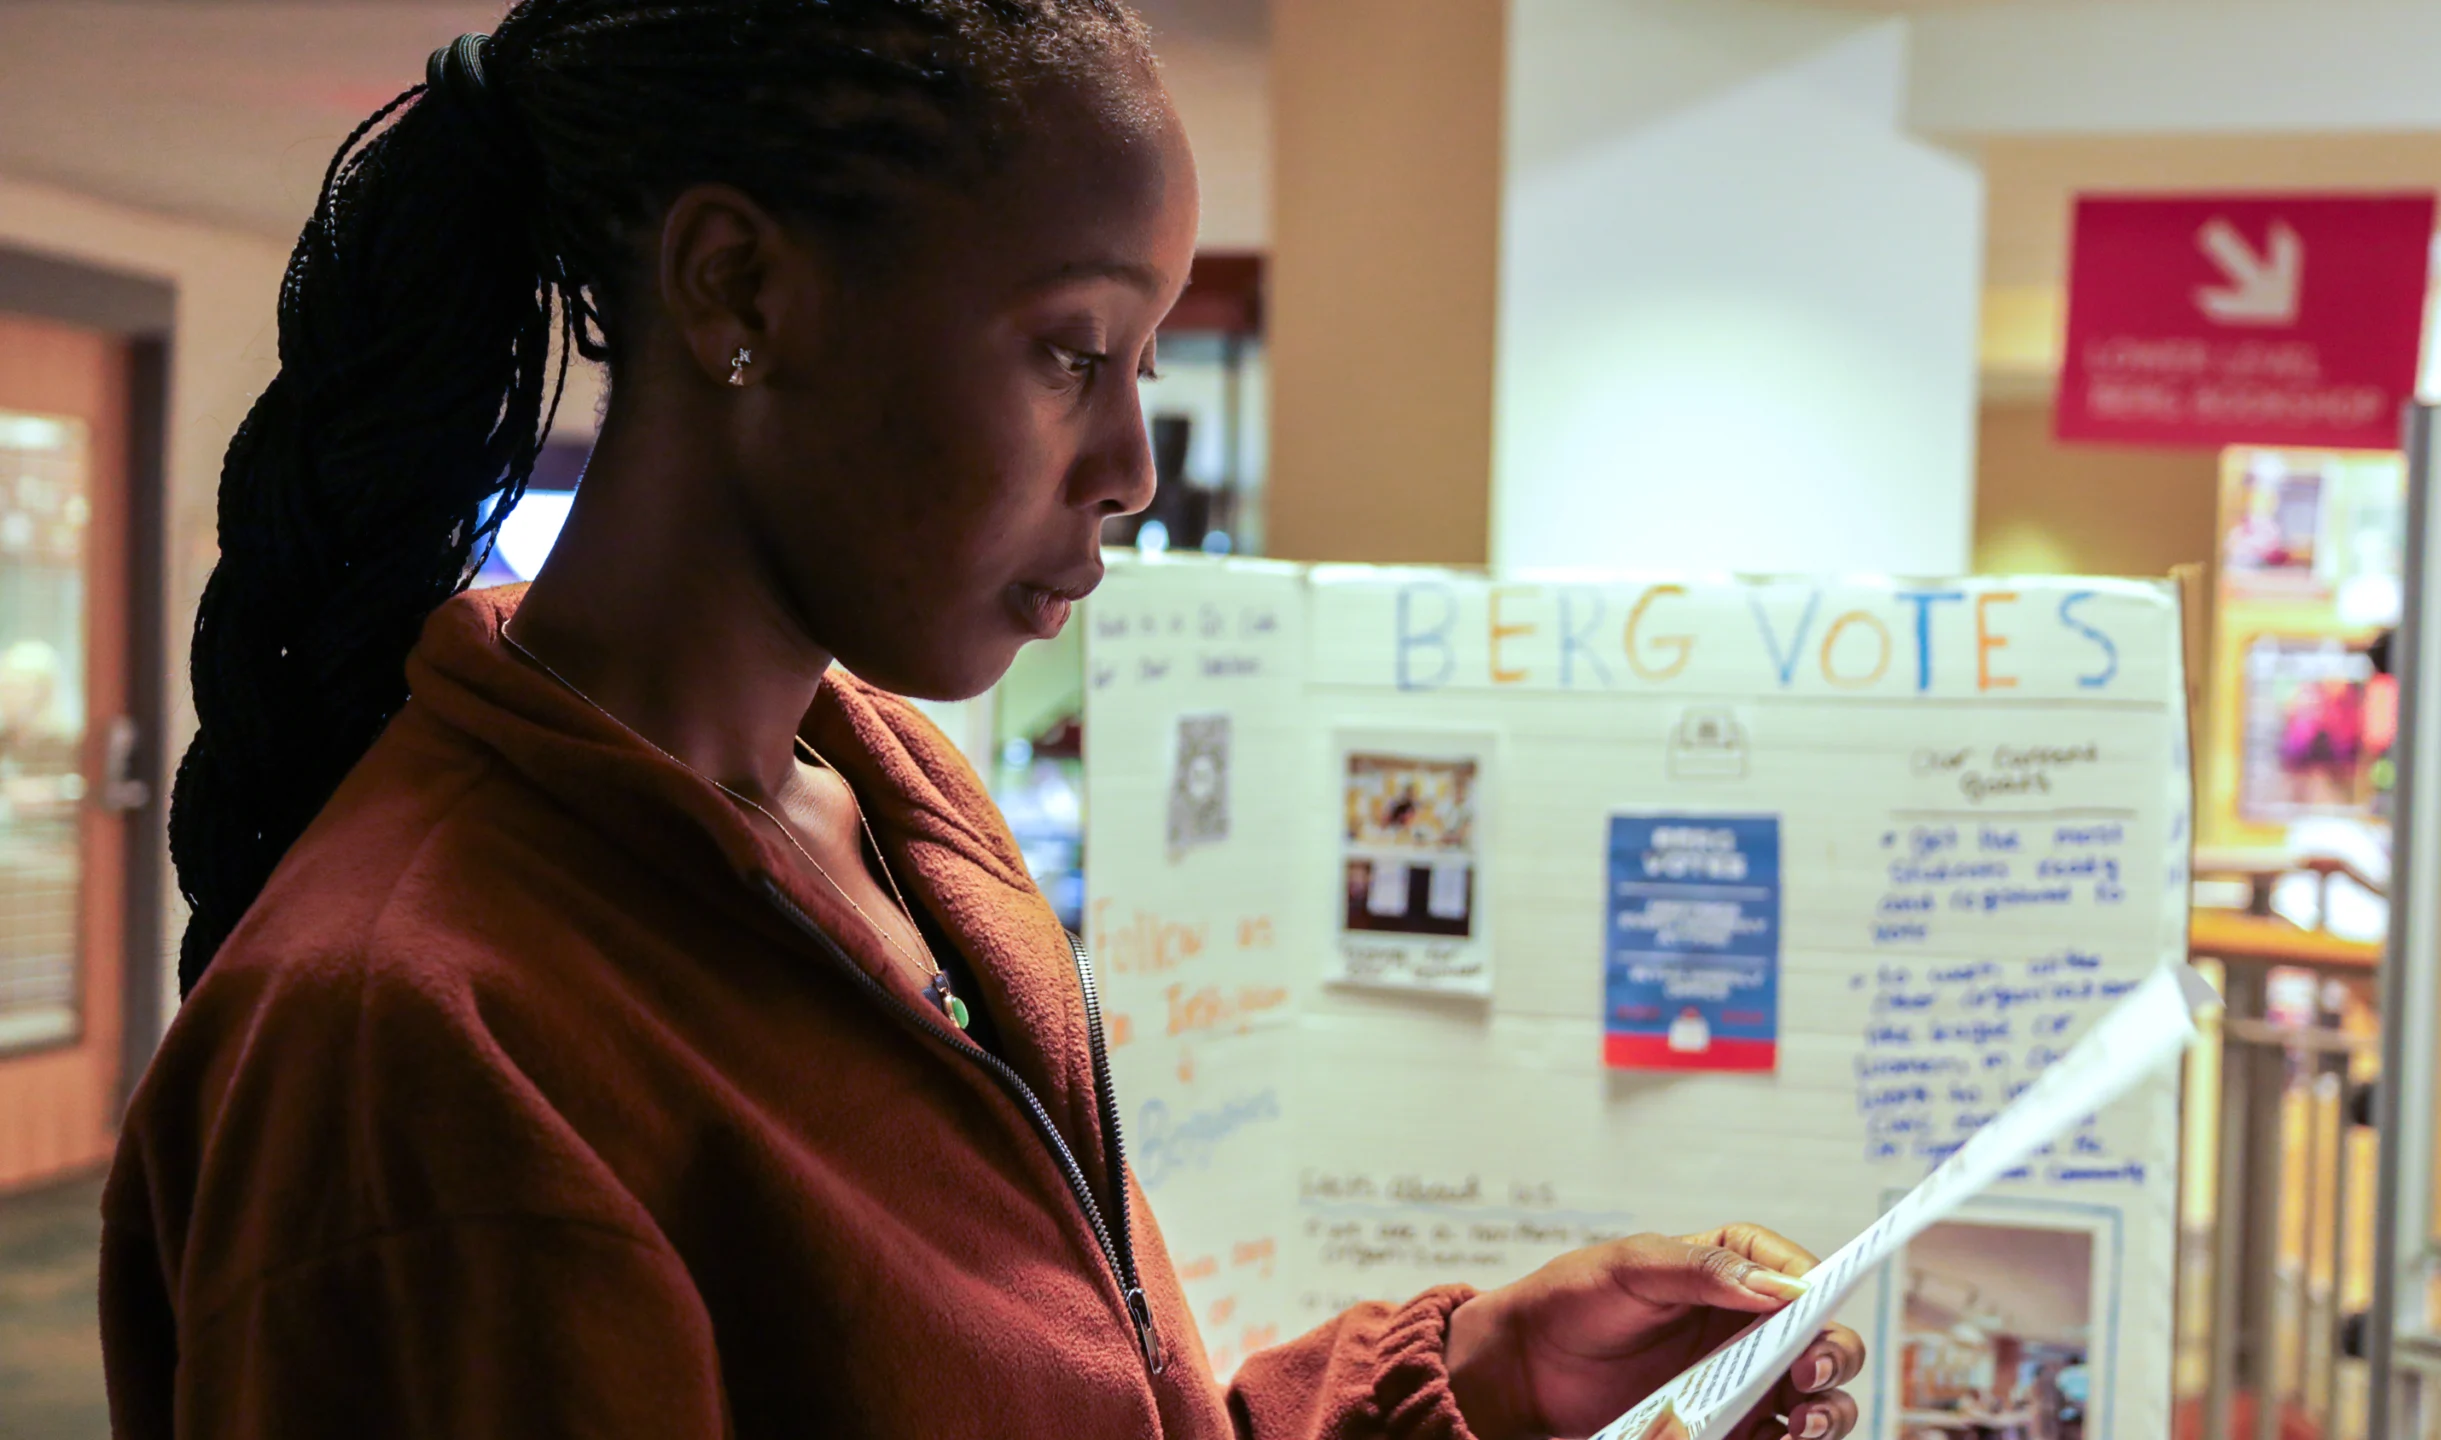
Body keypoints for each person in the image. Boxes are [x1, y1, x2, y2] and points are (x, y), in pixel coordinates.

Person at [100, 4, 1869, 1437]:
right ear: (739, 291)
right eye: (1069, 349)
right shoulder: (417, 1049)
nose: (1132, 472)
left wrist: (1482, 1381)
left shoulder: (884, 802)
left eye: (1149, 362)